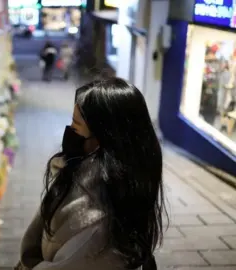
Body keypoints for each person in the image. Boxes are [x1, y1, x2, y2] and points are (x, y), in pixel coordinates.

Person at [17, 78, 166, 270]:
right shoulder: (101, 183)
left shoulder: (96, 225)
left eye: (76, 125)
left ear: (104, 138)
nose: (70, 132)